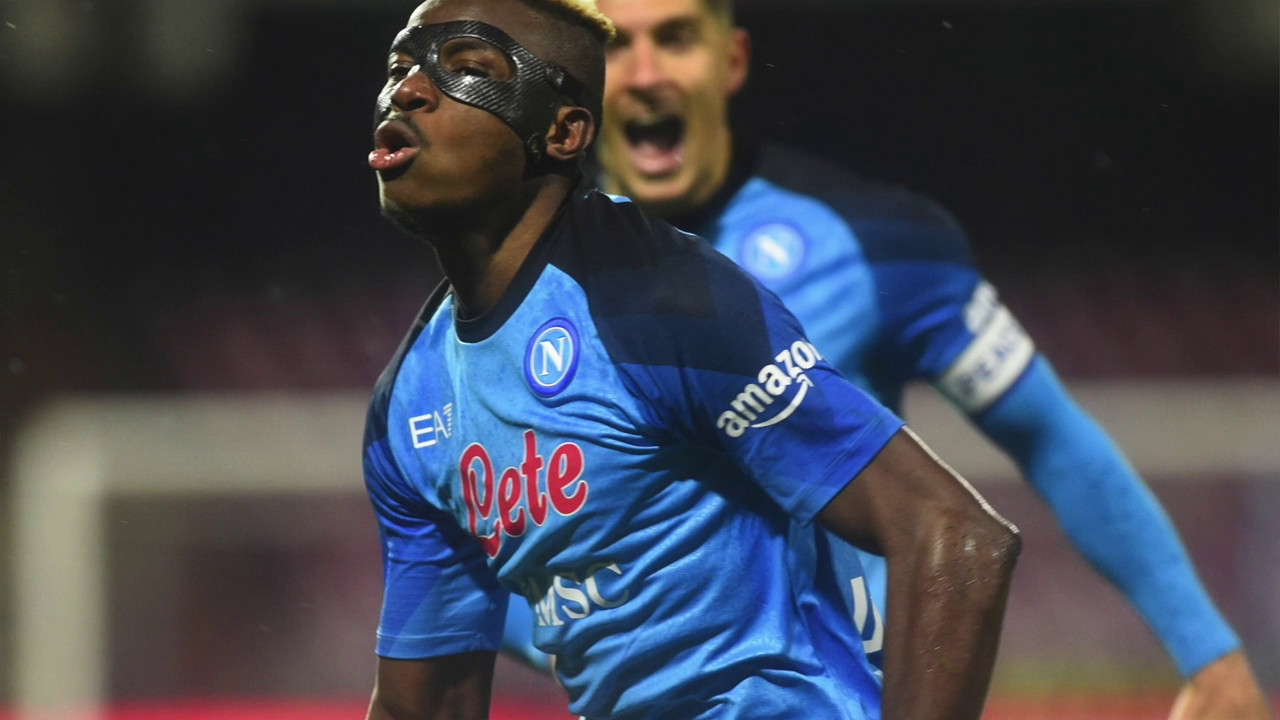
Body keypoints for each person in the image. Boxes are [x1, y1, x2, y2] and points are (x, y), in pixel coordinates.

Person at [510, 0, 1264, 718]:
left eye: (675, 38)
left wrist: (1211, 657)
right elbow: (471, 541)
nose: (644, 74)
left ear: (731, 60)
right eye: (617, 45)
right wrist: (586, 643)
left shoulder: (875, 243)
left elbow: (1048, 437)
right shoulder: (512, 286)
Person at [360, 0, 1023, 718]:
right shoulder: (409, 405)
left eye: (466, 67)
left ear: (563, 132)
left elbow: (954, 532)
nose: (409, 90)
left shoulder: (661, 304)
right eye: (400, 67)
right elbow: (421, 705)